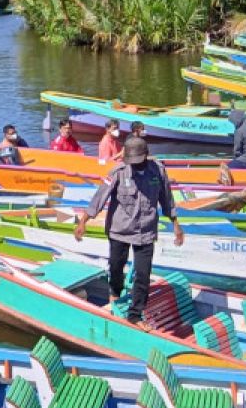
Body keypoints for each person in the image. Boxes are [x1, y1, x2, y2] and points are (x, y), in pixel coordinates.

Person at [74, 136, 184, 328]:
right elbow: (100, 197)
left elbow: (166, 198)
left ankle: (135, 315)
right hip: (120, 230)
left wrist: (176, 225)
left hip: (146, 230)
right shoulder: (118, 172)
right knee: (116, 267)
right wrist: (83, 221)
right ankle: (115, 292)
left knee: (143, 273)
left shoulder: (158, 171)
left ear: (146, 156)